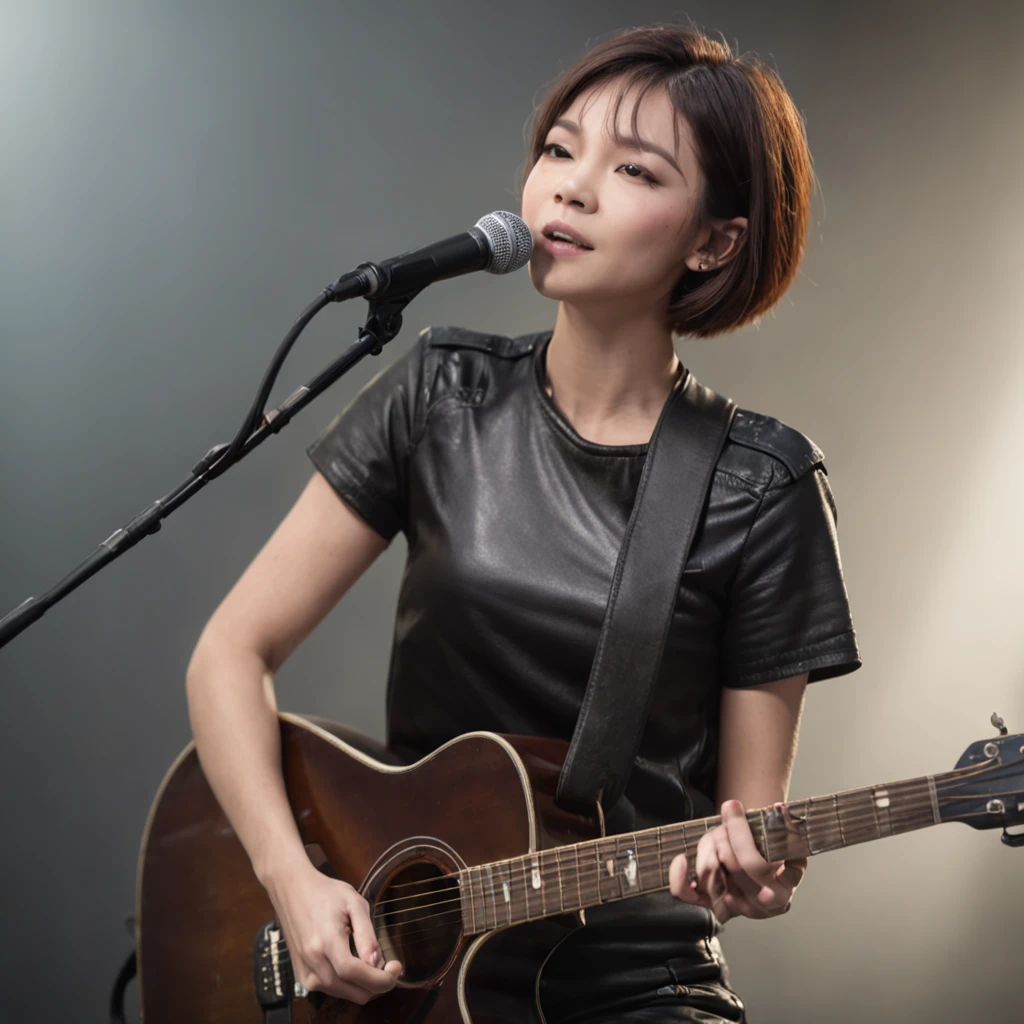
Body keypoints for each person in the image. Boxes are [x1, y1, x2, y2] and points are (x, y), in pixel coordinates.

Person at [185, 21, 861, 1023]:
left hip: (633, 987)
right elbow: (229, 654)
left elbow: (755, 826)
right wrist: (294, 879)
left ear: (715, 238)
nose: (570, 188)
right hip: (409, 987)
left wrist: (759, 871)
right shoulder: (439, 397)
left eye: (633, 170)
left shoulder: (758, 486)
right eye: (559, 149)